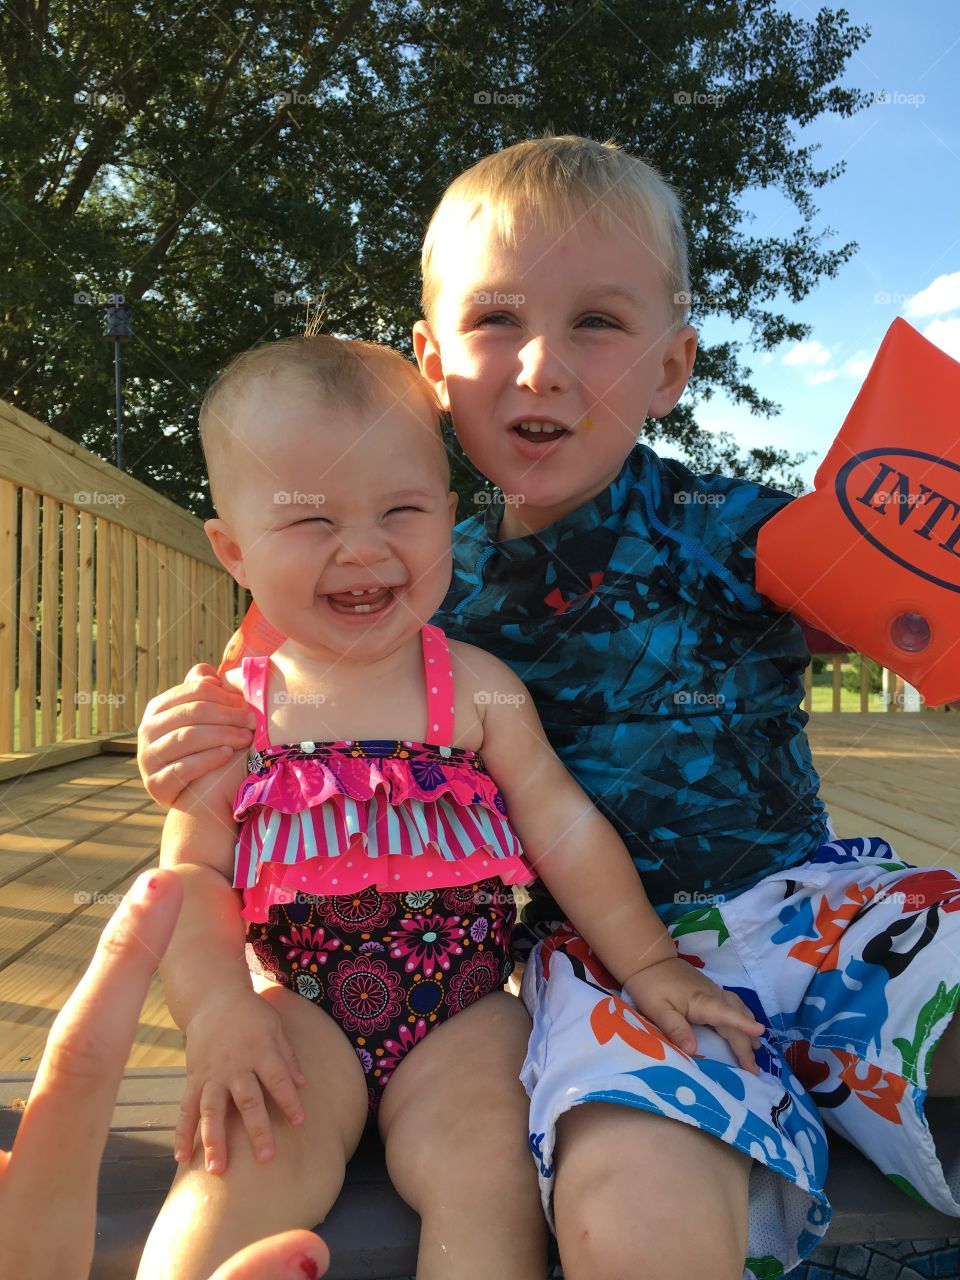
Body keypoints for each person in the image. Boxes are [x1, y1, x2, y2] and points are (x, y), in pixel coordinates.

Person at [136, 135, 960, 1280]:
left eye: (597, 324)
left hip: (804, 903)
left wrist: (913, 578)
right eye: (497, 321)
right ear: (430, 361)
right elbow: (262, 687)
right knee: (634, 1221)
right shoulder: (420, 579)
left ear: (672, 368)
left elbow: (910, 589)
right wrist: (179, 731)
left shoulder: (747, 534)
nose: (540, 366)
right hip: (593, 965)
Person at [134, 333, 762, 1280]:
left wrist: (648, 962)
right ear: (233, 550)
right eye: (310, 523)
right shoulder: (236, 710)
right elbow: (188, 874)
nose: (364, 547)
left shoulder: (474, 688)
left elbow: (560, 825)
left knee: (488, 1172)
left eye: (402, 509)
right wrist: (218, 1009)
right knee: (240, 1161)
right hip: (297, 1010)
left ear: (449, 517)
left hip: (465, 1014)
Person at [0, 867, 329, 1280]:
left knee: (440, 1162)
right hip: (295, 1018)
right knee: (232, 1171)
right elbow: (197, 873)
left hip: (439, 1036)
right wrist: (218, 997)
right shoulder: (221, 796)